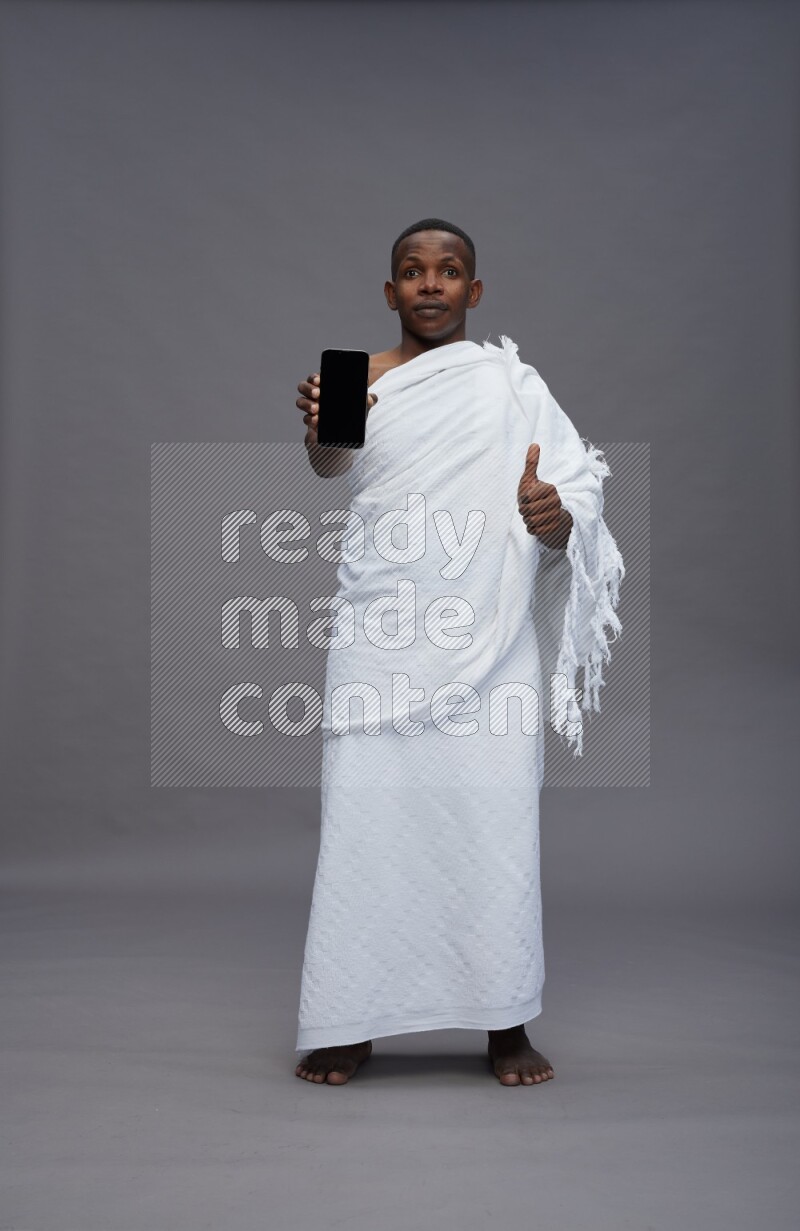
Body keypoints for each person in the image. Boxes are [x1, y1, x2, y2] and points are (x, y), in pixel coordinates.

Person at [293, 219, 623, 1086]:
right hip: (383, 631)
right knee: (366, 826)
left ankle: (503, 1022)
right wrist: (330, 426)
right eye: (412, 271)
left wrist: (556, 516)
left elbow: (576, 478)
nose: (430, 284)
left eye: (448, 272)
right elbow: (328, 466)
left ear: (474, 293)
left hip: (492, 639)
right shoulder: (354, 378)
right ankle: (349, 1019)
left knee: (493, 824)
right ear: (390, 290)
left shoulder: (511, 384)